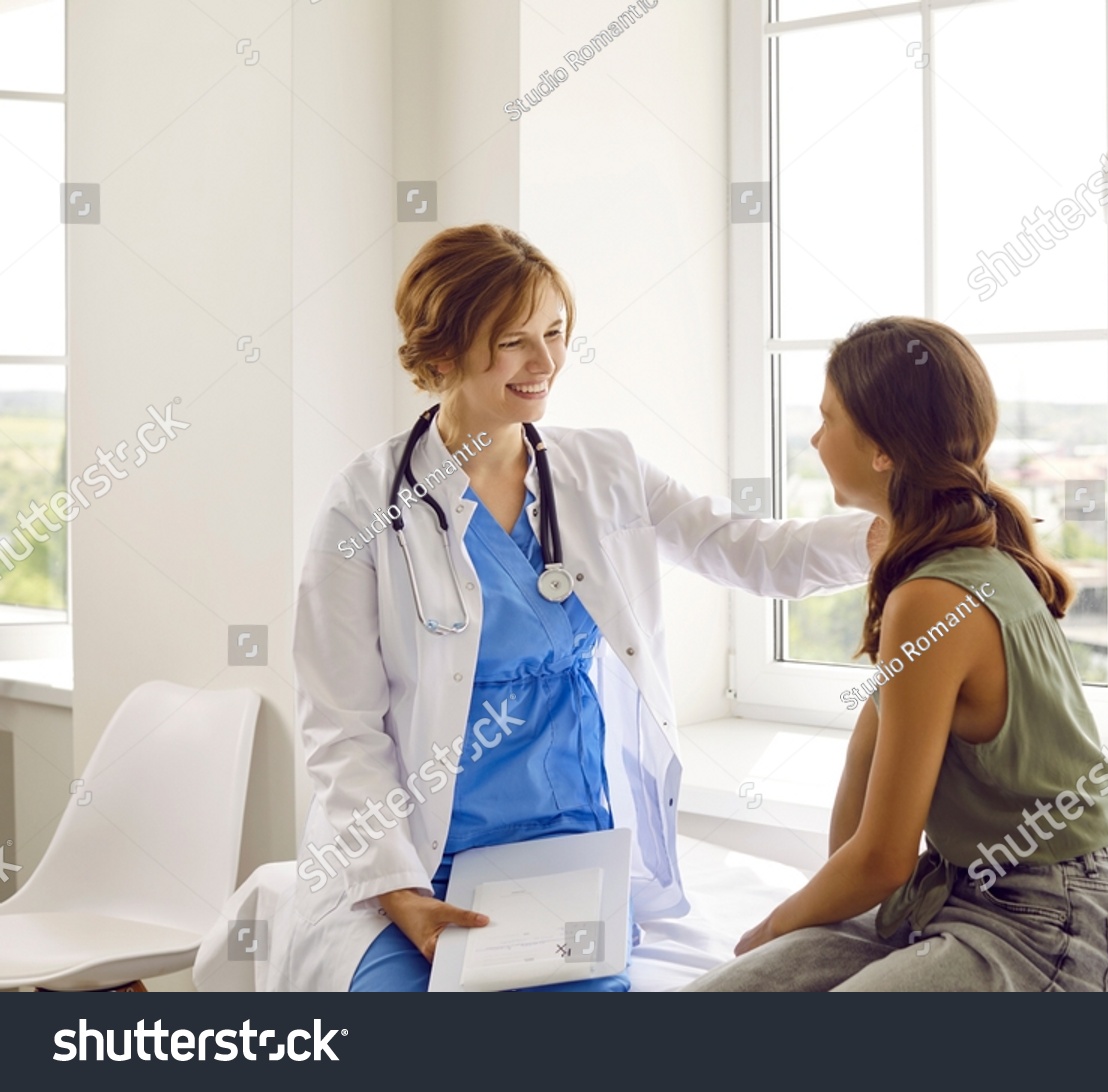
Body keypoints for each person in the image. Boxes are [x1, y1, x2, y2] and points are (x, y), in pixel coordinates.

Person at [271, 224, 883, 992]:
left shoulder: (603, 468)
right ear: (444, 353)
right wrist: (400, 894)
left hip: (562, 850)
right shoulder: (366, 503)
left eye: (556, 333)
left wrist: (907, 529)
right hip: (413, 863)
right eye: (513, 341)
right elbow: (340, 725)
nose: (546, 362)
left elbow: (750, 549)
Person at [684, 317, 1108, 992]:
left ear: (882, 449)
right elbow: (863, 821)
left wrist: (771, 927)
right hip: (952, 895)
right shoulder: (928, 573)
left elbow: (882, 859)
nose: (815, 439)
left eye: (829, 418)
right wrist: (804, 930)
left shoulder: (935, 596)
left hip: (1054, 927)